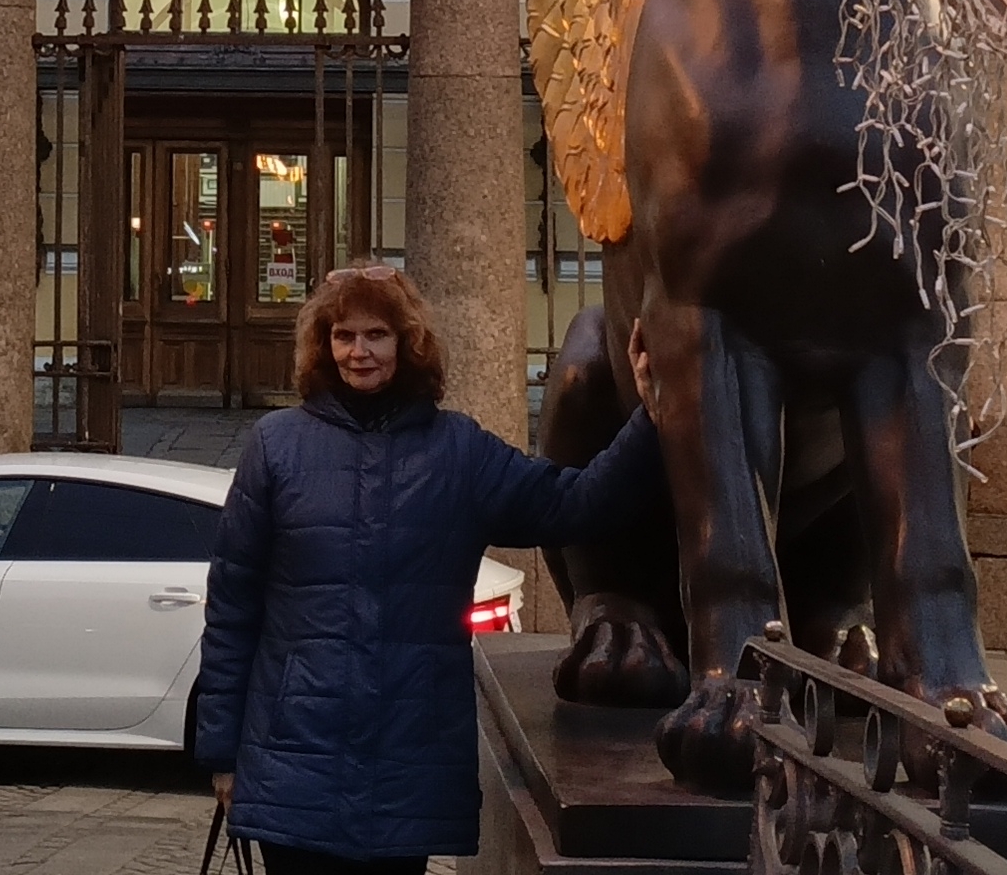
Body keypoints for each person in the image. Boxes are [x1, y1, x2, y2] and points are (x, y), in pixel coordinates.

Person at [190, 266, 659, 875]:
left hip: (405, 769)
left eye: (377, 335)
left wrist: (650, 420)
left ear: (407, 343)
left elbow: (573, 503)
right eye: (343, 335)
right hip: (294, 764)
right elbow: (232, 609)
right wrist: (222, 756)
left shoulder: (457, 451)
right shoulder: (276, 447)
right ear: (322, 345)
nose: (359, 352)